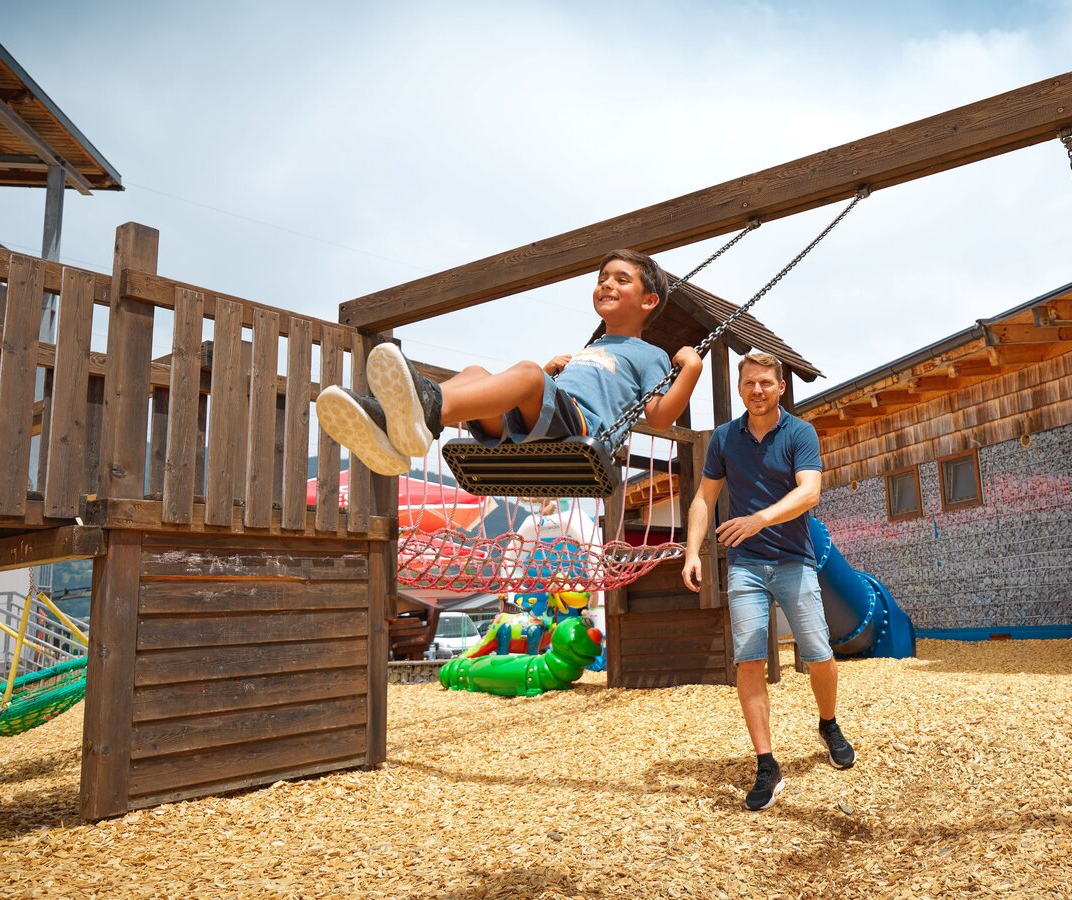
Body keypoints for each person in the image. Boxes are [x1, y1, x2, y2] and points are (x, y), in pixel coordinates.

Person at [315, 249, 704, 477]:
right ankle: (389, 425)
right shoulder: (592, 346)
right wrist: (555, 375)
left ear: (649, 301)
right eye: (603, 278)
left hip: (582, 434)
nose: (606, 284)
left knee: (526, 372)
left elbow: (658, 417)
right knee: (474, 373)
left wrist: (691, 370)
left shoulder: (649, 355)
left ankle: (427, 411)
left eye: (622, 280)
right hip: (533, 427)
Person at [681, 351, 852, 811]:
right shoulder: (724, 438)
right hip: (745, 566)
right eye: (749, 383)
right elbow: (703, 498)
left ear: (780, 388)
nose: (757, 390)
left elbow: (809, 491)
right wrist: (692, 551)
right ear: (740, 389)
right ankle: (766, 765)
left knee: (818, 654)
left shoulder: (800, 432)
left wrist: (758, 519)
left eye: (765, 383)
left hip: (794, 560)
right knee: (749, 661)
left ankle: (829, 722)